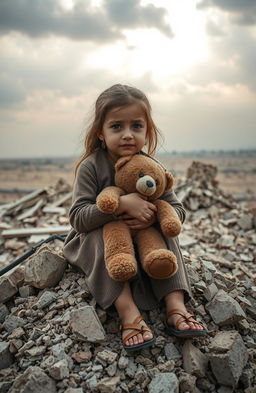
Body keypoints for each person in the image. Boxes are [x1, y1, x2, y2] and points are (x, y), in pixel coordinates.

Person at [63, 84, 206, 352]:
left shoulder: (152, 168)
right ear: (101, 133)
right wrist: (118, 206)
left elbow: (178, 211)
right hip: (97, 240)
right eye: (117, 127)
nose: (128, 135)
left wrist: (152, 217)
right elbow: (78, 218)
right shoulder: (91, 167)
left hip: (143, 238)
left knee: (166, 231)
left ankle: (175, 305)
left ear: (147, 131)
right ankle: (128, 311)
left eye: (136, 127)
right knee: (99, 235)